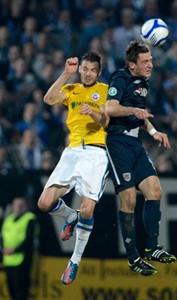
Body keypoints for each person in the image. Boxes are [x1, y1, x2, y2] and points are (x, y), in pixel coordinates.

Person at [105, 40, 176, 276]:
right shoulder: (120, 78)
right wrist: (133, 111)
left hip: (135, 143)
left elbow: (141, 114)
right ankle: (133, 257)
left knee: (155, 191)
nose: (151, 65)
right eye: (145, 62)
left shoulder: (142, 82)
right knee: (129, 200)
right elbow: (110, 108)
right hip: (117, 144)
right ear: (131, 65)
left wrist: (154, 132)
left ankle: (152, 248)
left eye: (151, 60)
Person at [37, 51, 109, 285]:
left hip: (97, 152)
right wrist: (65, 74)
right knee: (44, 203)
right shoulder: (72, 89)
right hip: (72, 151)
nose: (88, 73)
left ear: (99, 72)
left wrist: (95, 114)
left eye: (92, 70)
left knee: (87, 209)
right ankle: (70, 215)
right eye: (84, 68)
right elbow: (48, 99)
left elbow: (108, 121)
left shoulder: (107, 91)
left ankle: (74, 260)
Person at [1, 197, 38, 300]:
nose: (18, 208)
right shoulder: (8, 219)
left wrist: (15, 250)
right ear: (12, 206)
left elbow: (29, 240)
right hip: (8, 260)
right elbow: (2, 237)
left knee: (21, 291)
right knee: (11, 290)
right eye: (16, 205)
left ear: (25, 207)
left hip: (22, 260)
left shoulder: (29, 219)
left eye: (21, 205)